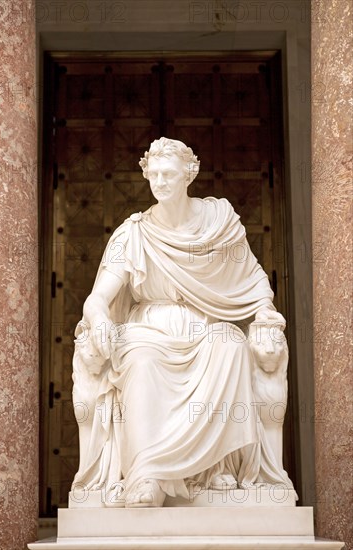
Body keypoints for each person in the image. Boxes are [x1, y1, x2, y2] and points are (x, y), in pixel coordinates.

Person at [71, 137, 294, 508]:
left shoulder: (220, 223)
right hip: (150, 328)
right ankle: (148, 477)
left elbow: (253, 280)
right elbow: (98, 298)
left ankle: (214, 467)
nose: (160, 181)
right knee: (141, 361)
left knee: (231, 345)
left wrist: (265, 313)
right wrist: (97, 319)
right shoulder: (134, 233)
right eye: (153, 174)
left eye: (169, 174)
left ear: (189, 175)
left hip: (204, 324)